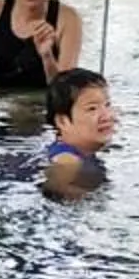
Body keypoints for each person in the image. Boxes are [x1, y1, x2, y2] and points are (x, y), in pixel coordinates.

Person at [41, 66, 119, 196]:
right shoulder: (67, 161)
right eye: (92, 109)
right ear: (62, 121)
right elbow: (53, 192)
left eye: (107, 105)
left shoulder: (79, 152)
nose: (107, 115)